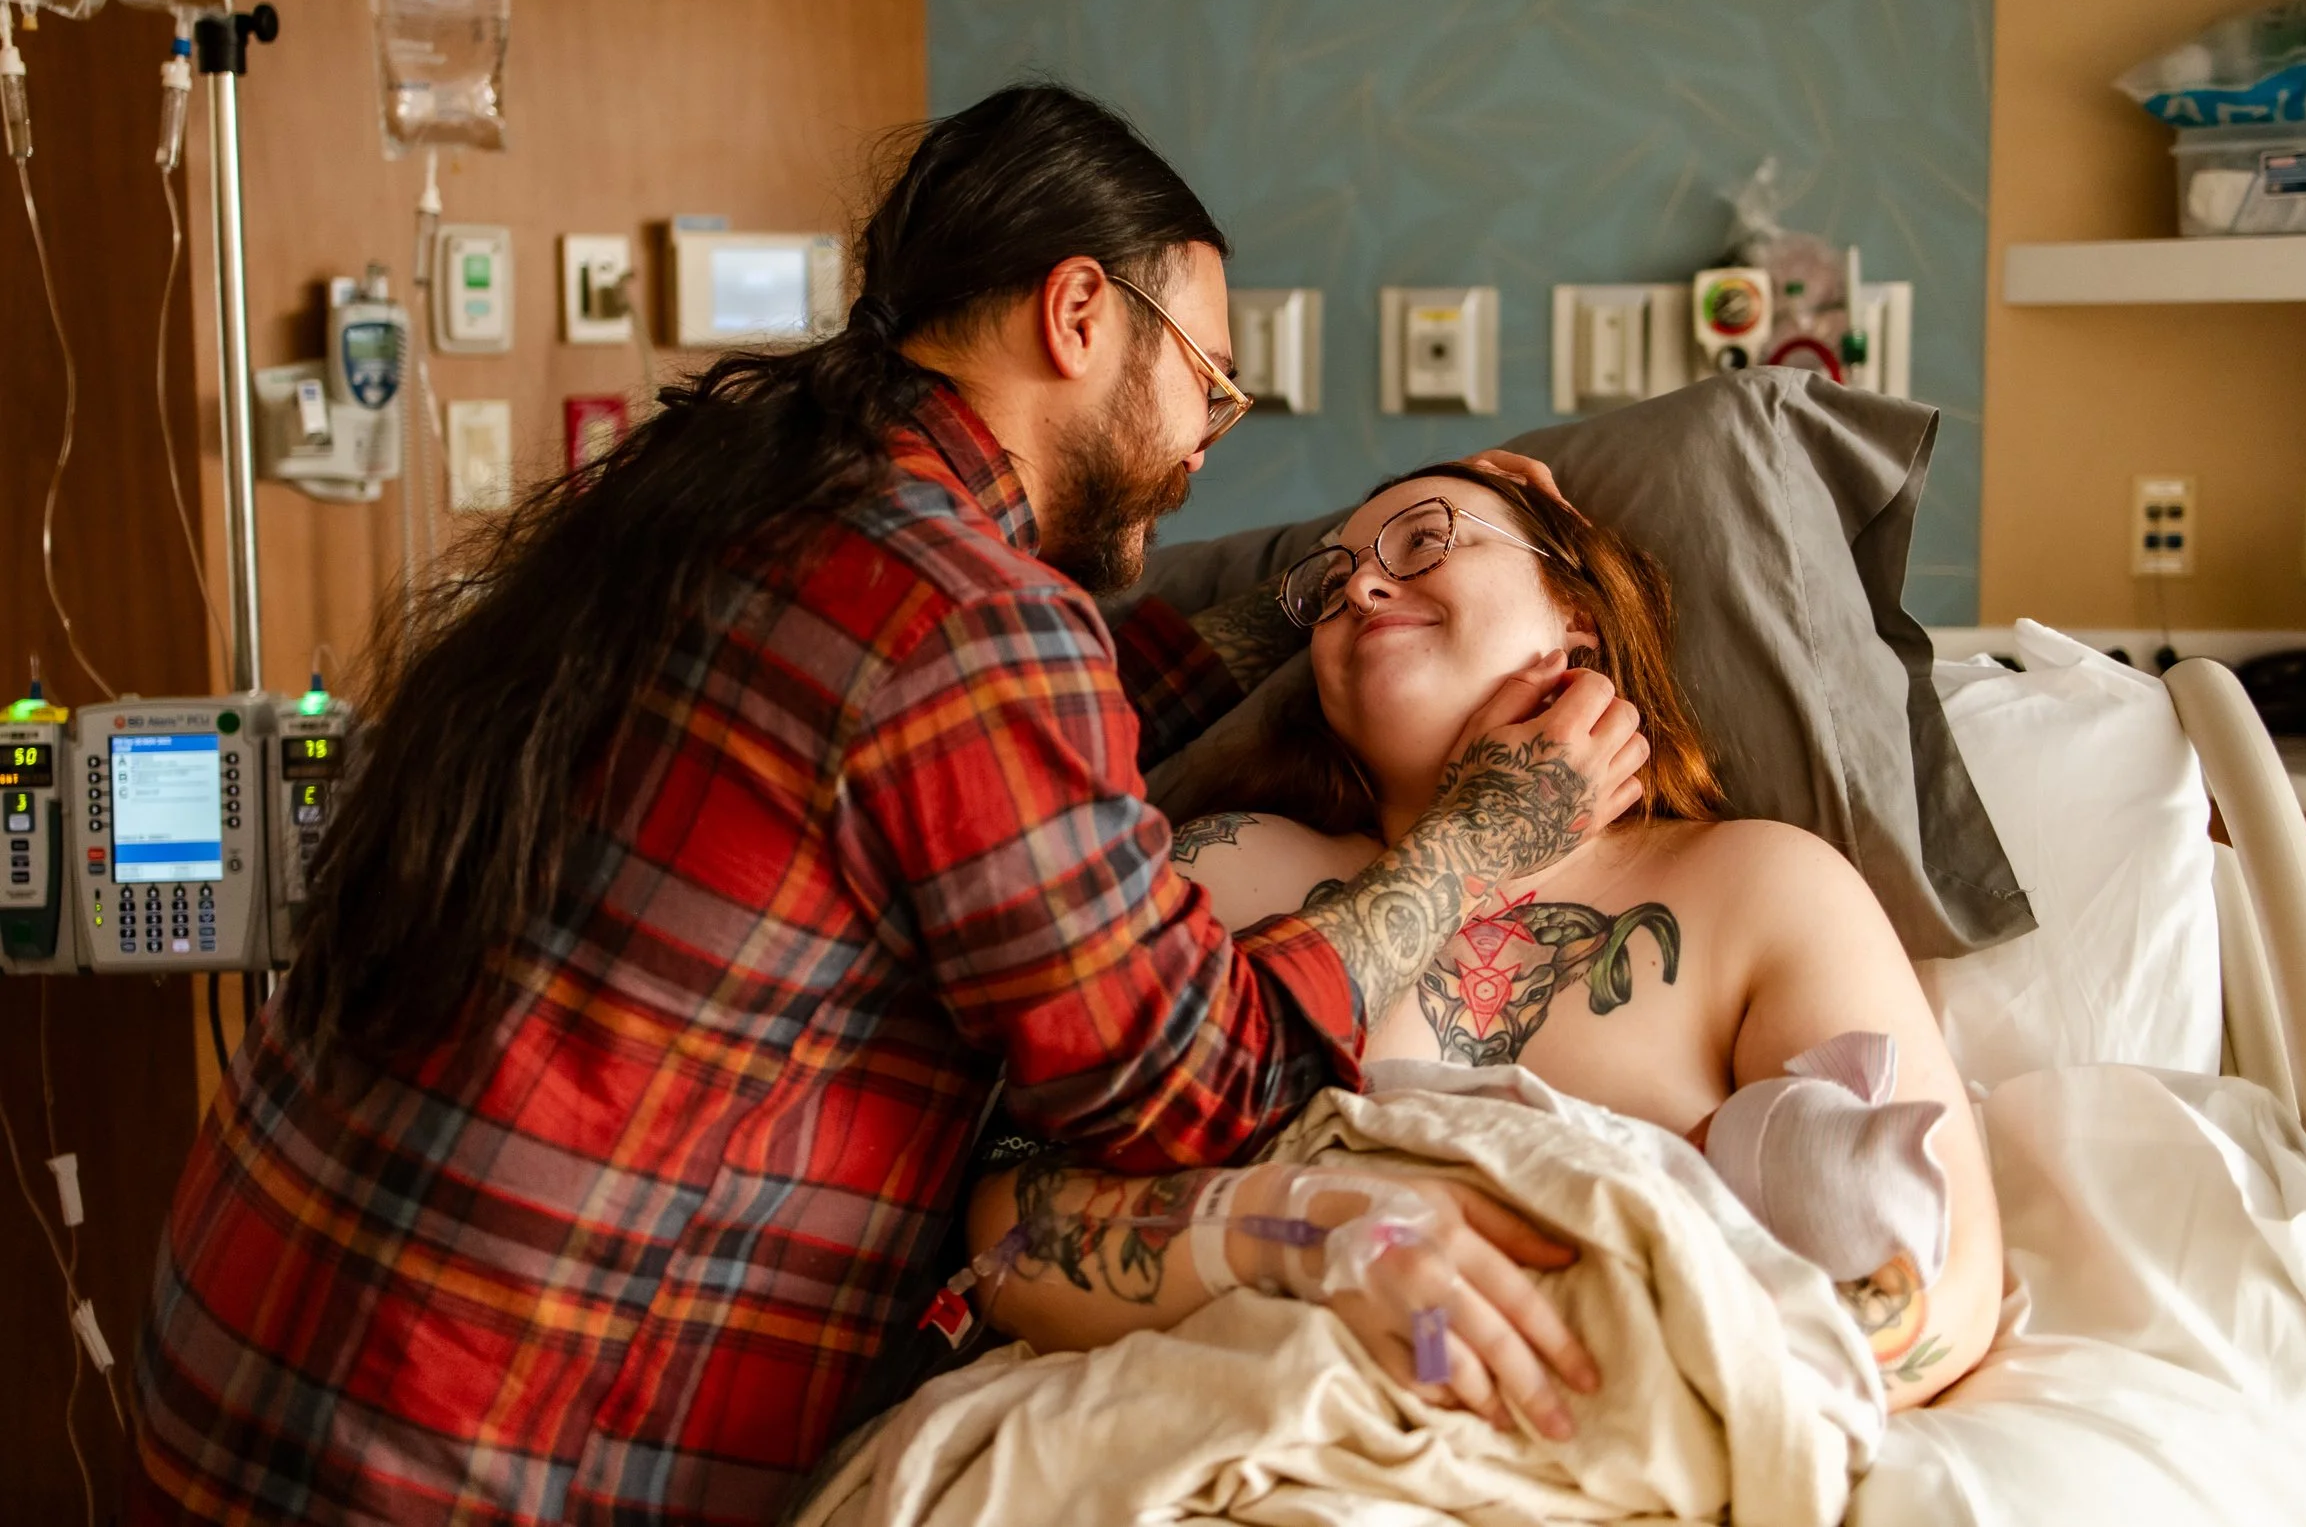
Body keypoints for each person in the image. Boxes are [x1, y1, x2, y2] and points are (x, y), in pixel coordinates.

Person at [127, 88, 1648, 1527]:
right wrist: (1475, 844)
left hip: (253, 1325)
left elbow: (988, 752)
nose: (1208, 439)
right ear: (1079, 314)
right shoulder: (964, 618)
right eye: (1209, 379)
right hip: (461, 1433)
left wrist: (1305, 596)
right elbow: (1188, 1090)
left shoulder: (740, 492)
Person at [965, 462, 2004, 1430]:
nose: (1361, 589)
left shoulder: (1761, 886)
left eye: (1422, 541)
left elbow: (1944, 1280)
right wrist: (1299, 1235)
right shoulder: (1226, 870)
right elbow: (1005, 1236)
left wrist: (1658, 1369)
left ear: (1576, 617)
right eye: (1328, 588)